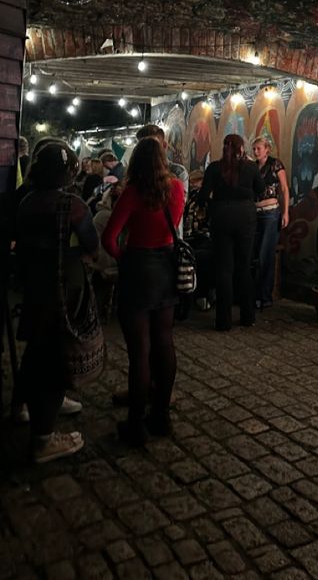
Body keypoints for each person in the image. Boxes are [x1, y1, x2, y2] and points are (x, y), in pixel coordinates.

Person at [15, 143, 99, 463]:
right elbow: (92, 244)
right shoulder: (72, 205)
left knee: (37, 350)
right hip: (64, 288)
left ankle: (21, 406)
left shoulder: (26, 201)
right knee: (53, 357)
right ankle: (43, 438)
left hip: (35, 286)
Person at [102, 137, 185, 446]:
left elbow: (109, 238)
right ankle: (161, 416)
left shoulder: (132, 194)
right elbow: (173, 223)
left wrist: (123, 258)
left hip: (138, 267)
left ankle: (135, 425)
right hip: (165, 267)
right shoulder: (176, 188)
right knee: (165, 341)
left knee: (140, 350)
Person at [196, 134, 264, 330]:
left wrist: (213, 204)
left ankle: (223, 321)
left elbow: (201, 197)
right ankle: (247, 316)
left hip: (221, 219)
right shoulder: (250, 167)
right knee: (244, 267)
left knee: (224, 269)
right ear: (241, 149)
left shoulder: (214, 168)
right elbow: (260, 188)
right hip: (246, 219)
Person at [252, 136, 289, 308]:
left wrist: (286, 212)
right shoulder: (252, 167)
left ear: (267, 149)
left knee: (265, 254)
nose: (256, 151)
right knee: (255, 252)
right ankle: (255, 293)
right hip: (255, 213)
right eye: (254, 149)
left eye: (259, 148)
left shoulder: (275, 164)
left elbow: (284, 188)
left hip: (270, 213)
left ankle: (264, 296)